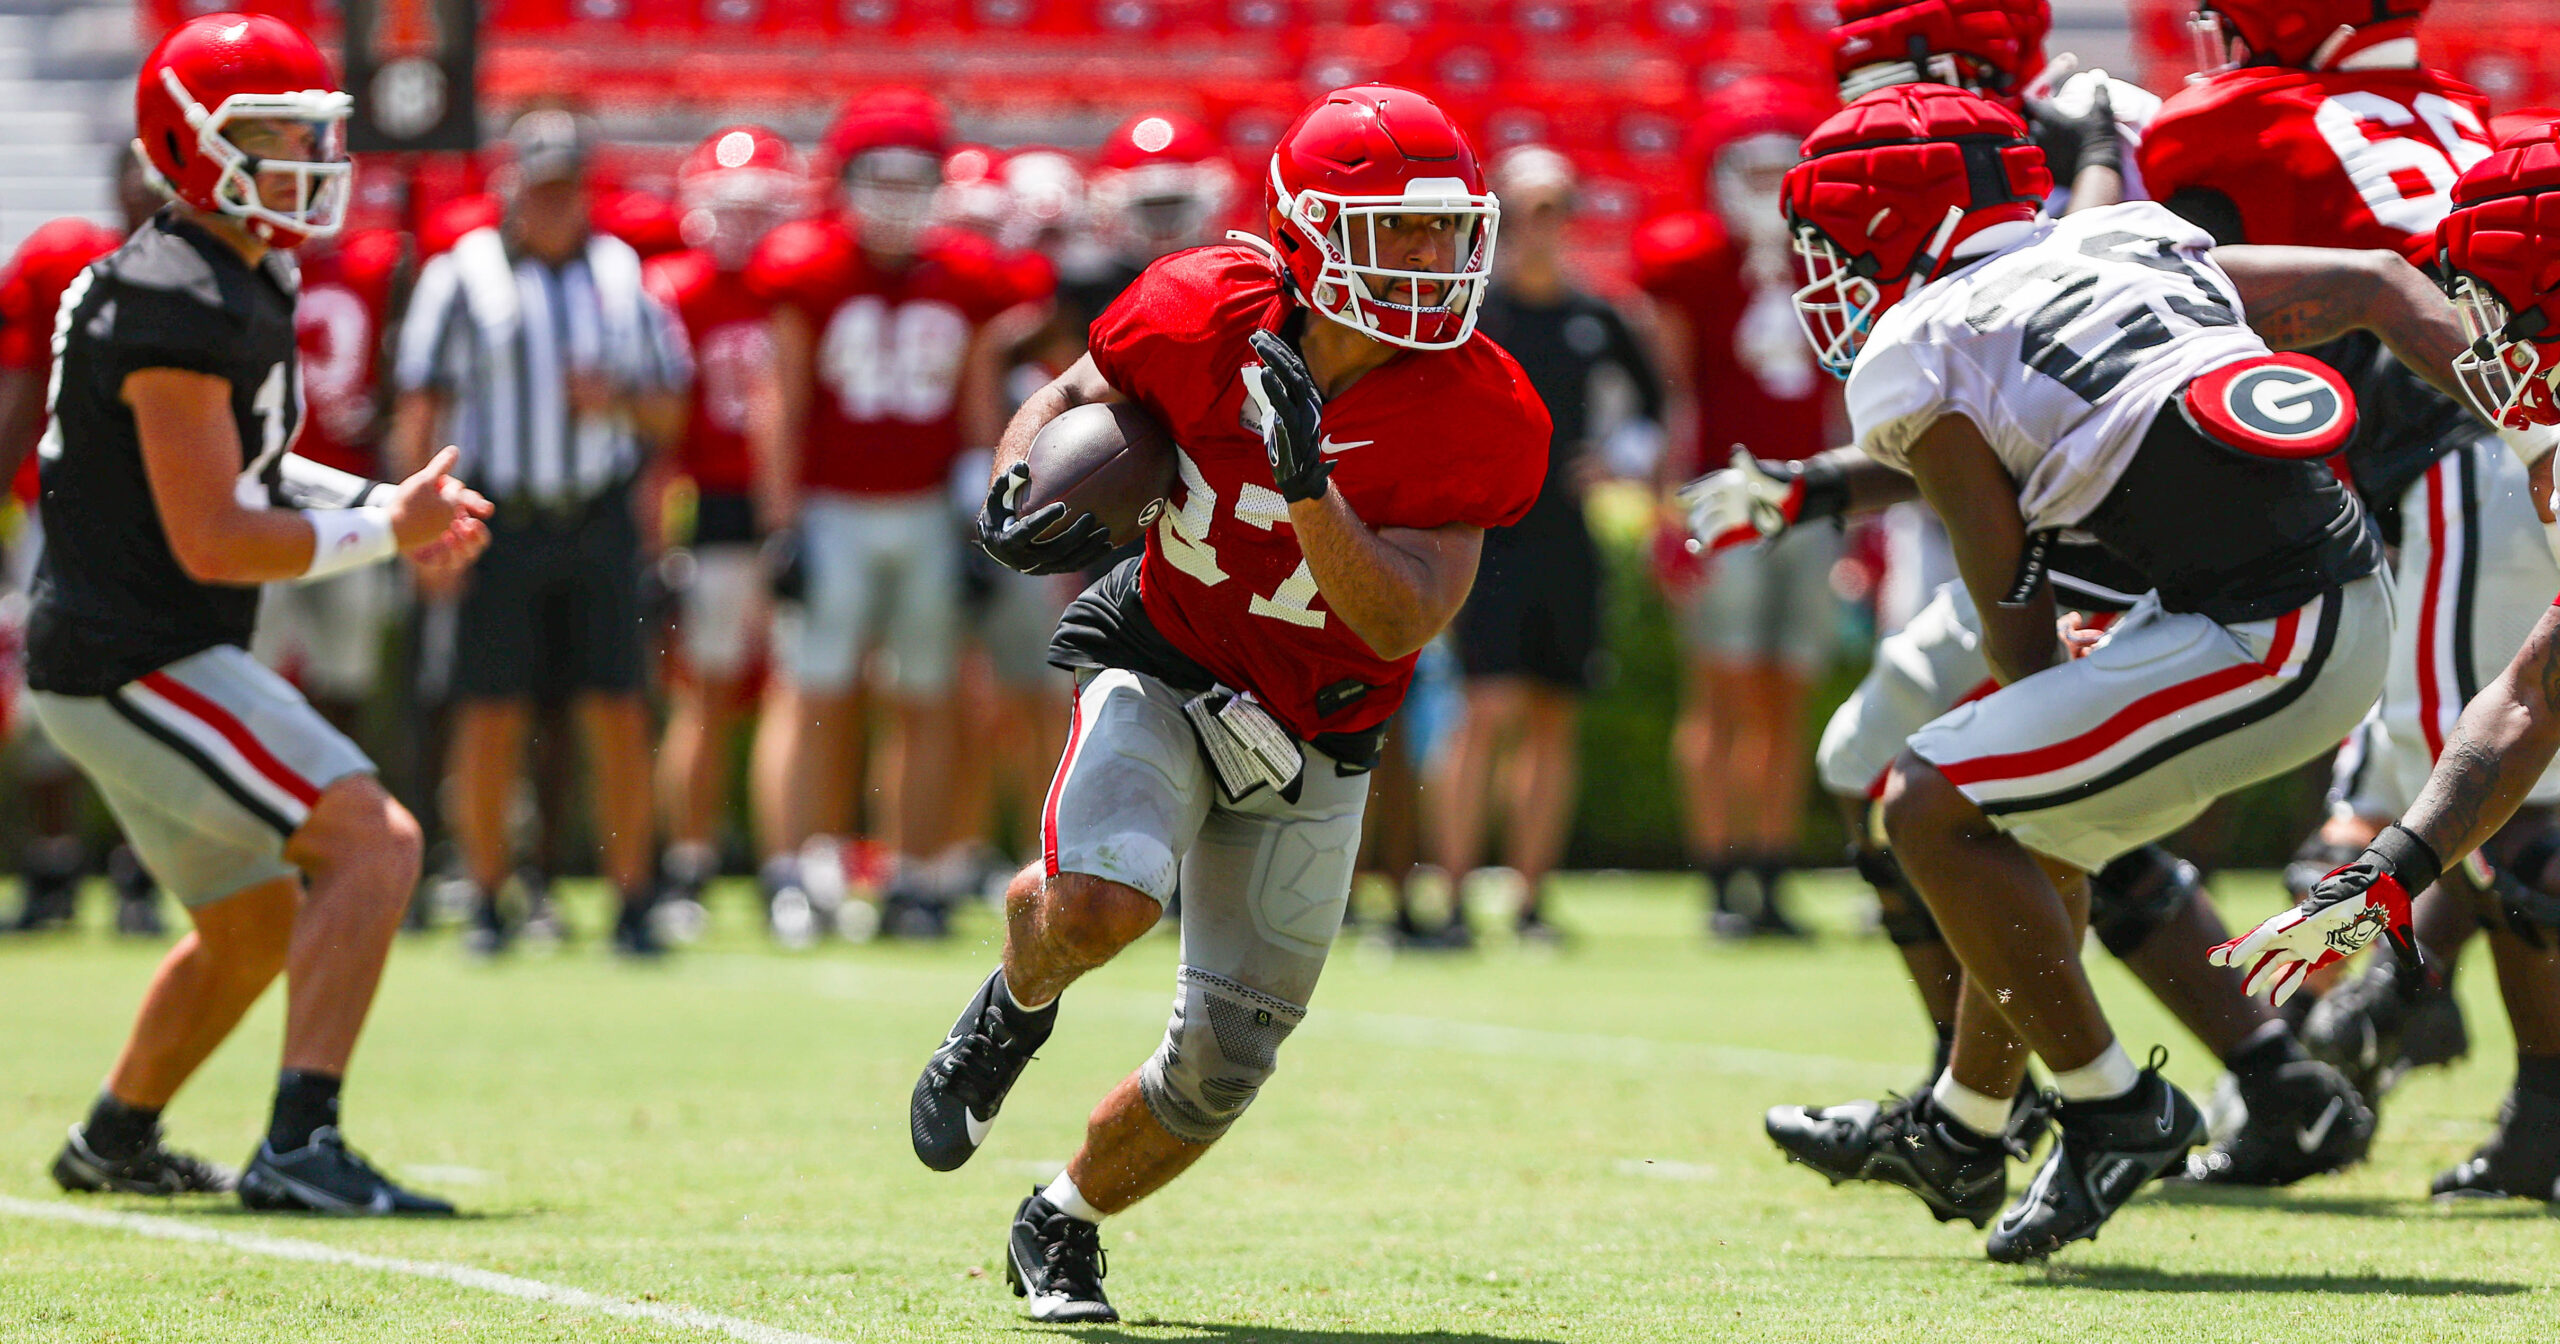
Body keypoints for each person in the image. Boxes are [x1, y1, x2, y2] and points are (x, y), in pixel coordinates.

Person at [1778, 82, 2480, 1260]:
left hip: (2268, 632)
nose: (1827, 274)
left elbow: (2005, 584)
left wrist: (2029, 693)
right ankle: (1964, 1124)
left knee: (1935, 804)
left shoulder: (1918, 345)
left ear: (1895, 228)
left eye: (1835, 244)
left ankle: (2113, 1108)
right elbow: (2363, 280)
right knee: (2027, 824)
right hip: (2320, 597)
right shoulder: (2126, 233)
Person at [906, 84, 1549, 1322]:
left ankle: (1061, 1218)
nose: (1431, 257)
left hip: (1321, 722)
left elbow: (1402, 617)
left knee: (1224, 1065)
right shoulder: (1204, 304)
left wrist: (1309, 485)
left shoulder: (1482, 405)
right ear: (1308, 234)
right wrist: (1011, 482)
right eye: (1394, 229)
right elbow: (1068, 396)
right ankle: (1012, 1008)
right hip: (1168, 650)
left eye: (1443, 229)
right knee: (1101, 899)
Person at [37, 13, 488, 1212]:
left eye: (309, 131)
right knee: (375, 844)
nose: (301, 154)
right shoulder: (174, 294)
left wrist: (389, 506)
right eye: (269, 133)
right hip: (139, 652)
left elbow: (256, 469)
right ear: (183, 144)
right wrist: (383, 537)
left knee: (247, 923)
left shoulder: (229, 268)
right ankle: (300, 1145)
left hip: (134, 648)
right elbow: (215, 534)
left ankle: (113, 1140)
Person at [2144, 0, 2560, 1169]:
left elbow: (2165, 280)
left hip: (2463, 448)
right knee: (2418, 791)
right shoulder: (2469, 111)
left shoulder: (2233, 119)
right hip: (2477, 452)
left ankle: (2523, 1100)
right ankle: (2385, 1009)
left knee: (2505, 799)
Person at [390, 109, 691, 957]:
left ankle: (634, 898)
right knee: (487, 712)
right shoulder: (464, 274)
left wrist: (617, 400)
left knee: (619, 710)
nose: (555, 206)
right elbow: (422, 402)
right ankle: (485, 895)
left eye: (568, 188)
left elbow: (670, 407)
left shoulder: (622, 273)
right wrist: (421, 533)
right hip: (499, 518)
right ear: (512, 187)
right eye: (542, 187)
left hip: (596, 514)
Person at [745, 89, 1035, 936]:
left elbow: (985, 415)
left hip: (922, 513)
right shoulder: (808, 266)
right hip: (832, 508)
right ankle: (794, 869)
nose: (899, 199)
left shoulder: (971, 277)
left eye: (916, 181)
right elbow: (781, 403)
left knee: (927, 692)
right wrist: (780, 523)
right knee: (811, 689)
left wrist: (987, 522)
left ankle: (912, 873)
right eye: (883, 179)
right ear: (846, 182)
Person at [1427, 144, 1663, 946]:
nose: (1544, 225)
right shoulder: (1471, 313)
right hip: (1486, 535)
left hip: (1564, 534)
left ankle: (1530, 902)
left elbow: (1654, 408)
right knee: (1484, 709)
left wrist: (1622, 461)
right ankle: (1452, 900)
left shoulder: (1596, 315)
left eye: (1557, 207)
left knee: (1553, 716)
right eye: (1530, 208)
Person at [1635, 74, 1839, 937]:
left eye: (1777, 169)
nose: (1762, 186)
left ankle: (1770, 867)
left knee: (1787, 695)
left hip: (1812, 493)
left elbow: (1839, 392)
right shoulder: (1690, 265)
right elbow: (1672, 397)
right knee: (1720, 693)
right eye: (1747, 169)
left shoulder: (1824, 256)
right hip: (1723, 494)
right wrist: (1669, 512)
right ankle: (1720, 874)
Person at [0, 145, 165, 935]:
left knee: (154, 695)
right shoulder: (64, 262)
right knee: (47, 690)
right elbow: (24, 386)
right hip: (62, 511)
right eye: (134, 170)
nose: (147, 186)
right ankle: (54, 866)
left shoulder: (209, 281)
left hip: (169, 518)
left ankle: (143, 871)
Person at [645, 124, 804, 929]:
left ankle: (789, 867)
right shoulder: (670, 286)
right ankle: (691, 864)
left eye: (759, 209)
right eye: (730, 208)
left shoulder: (801, 287)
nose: (744, 225)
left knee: (793, 691)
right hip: (708, 505)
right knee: (704, 693)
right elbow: (657, 432)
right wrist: (663, 534)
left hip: (792, 508)